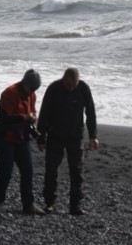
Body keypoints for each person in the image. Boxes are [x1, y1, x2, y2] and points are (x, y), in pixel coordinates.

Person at [36, 67, 99, 215]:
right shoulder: (54, 88)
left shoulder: (83, 88)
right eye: (69, 85)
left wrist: (93, 136)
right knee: (51, 170)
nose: (71, 88)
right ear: (64, 79)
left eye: (74, 85)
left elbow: (90, 112)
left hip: (75, 137)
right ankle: (50, 203)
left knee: (77, 172)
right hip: (55, 136)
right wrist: (41, 137)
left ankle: (75, 205)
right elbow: (44, 113)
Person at [0, 69, 45, 215]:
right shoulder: (9, 93)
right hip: (5, 138)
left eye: (35, 89)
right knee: (6, 171)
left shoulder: (32, 95)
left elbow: (32, 112)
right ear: (24, 83)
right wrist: (24, 118)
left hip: (22, 138)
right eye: (31, 88)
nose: (32, 92)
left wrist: (33, 119)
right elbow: (4, 119)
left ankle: (29, 205)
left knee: (28, 171)